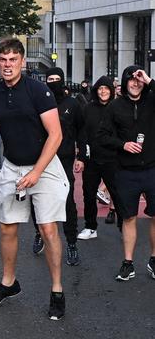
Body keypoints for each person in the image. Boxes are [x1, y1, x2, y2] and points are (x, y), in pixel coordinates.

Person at [0, 38, 69, 321]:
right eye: (3, 60)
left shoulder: (39, 91)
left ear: (22, 62)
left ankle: (57, 290)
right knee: (7, 228)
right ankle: (9, 283)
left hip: (44, 167)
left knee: (47, 229)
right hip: (12, 168)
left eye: (13, 60)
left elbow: (56, 136)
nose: (8, 65)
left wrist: (36, 173)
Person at [97, 66, 155, 282]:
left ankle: (154, 259)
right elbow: (101, 136)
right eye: (131, 79)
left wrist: (149, 79)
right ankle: (128, 263)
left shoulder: (151, 100)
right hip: (125, 171)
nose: (135, 83)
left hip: (152, 168)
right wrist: (123, 145)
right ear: (124, 82)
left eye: (139, 79)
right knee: (129, 217)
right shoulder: (114, 107)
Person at [29, 67, 85, 267]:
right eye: (49, 79)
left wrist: (81, 156)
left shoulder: (73, 104)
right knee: (36, 199)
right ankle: (39, 232)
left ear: (63, 80)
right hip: (42, 159)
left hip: (65, 158)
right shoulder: (39, 102)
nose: (53, 82)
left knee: (68, 202)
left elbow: (81, 130)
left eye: (57, 79)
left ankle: (71, 243)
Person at [77, 76, 121, 240]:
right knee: (88, 194)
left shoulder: (118, 107)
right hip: (92, 159)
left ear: (111, 91)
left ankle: (124, 225)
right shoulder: (88, 108)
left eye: (106, 89)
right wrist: (81, 156)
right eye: (100, 88)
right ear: (96, 91)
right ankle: (90, 227)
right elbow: (82, 133)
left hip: (113, 159)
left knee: (118, 194)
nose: (103, 91)